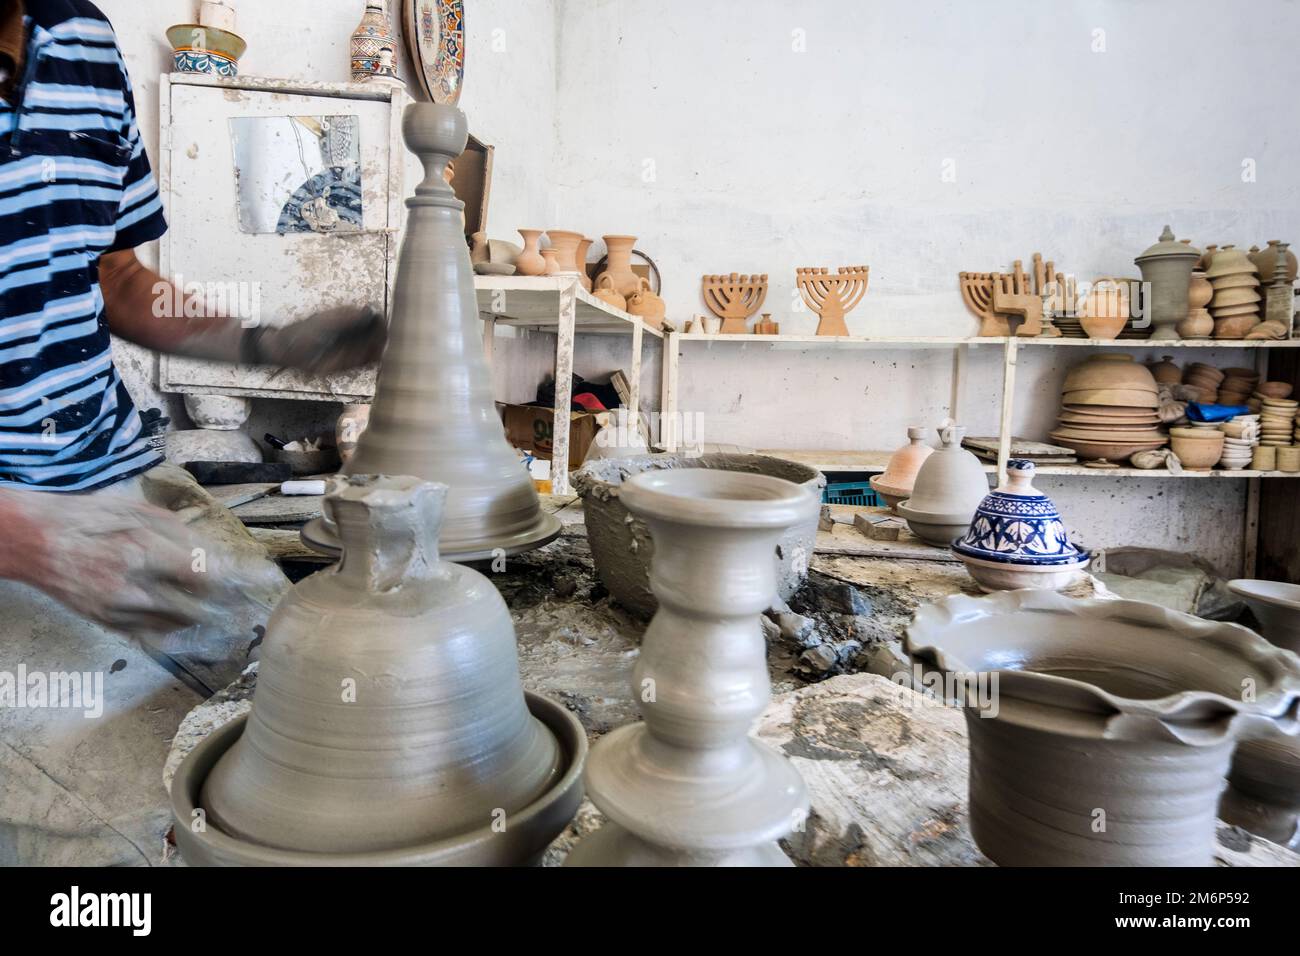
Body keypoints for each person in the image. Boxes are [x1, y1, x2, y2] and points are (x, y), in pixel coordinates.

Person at [0, 0, 384, 632]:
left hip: (109, 473)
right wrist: (27, 540)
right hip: (19, 536)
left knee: (278, 642)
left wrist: (267, 344)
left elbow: (114, 274)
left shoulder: (82, 39)